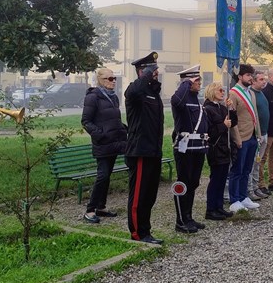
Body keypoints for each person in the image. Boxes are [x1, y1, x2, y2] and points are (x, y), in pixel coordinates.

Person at [124, 52, 164, 245]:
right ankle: (137, 233)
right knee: (139, 195)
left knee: (150, 195)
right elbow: (134, 91)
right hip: (139, 150)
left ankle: (146, 230)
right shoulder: (135, 91)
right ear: (142, 71)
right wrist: (146, 75)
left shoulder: (153, 93)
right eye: (152, 70)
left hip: (153, 151)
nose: (156, 73)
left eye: (155, 70)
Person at [81, 68, 126, 223]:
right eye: (109, 78)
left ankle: (101, 207)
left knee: (107, 177)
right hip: (103, 144)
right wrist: (101, 134)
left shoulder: (113, 98)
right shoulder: (93, 97)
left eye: (114, 78)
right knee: (103, 175)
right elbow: (86, 121)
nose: (113, 81)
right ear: (100, 80)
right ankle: (90, 210)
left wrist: (124, 130)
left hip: (114, 143)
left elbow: (114, 120)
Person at [170, 65, 209, 233]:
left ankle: (188, 216)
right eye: (196, 80)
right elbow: (177, 101)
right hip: (184, 148)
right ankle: (180, 220)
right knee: (184, 182)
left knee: (193, 182)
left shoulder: (195, 99)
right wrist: (186, 83)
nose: (199, 83)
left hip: (198, 147)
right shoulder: (180, 97)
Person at [227, 64, 261, 212]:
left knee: (247, 168)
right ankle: (234, 199)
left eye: (251, 75)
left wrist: (258, 134)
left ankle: (243, 196)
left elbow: (255, 115)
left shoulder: (251, 93)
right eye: (248, 75)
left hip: (252, 135)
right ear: (240, 77)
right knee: (237, 170)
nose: (250, 78)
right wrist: (237, 138)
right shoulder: (233, 94)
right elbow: (232, 118)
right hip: (241, 136)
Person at [203, 82, 235, 221]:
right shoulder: (207, 109)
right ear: (212, 91)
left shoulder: (222, 108)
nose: (223, 92)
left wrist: (231, 109)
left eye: (223, 90)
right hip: (215, 148)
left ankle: (219, 206)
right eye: (220, 90)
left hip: (224, 147)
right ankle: (211, 209)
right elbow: (209, 131)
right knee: (215, 179)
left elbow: (233, 122)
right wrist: (223, 126)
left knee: (222, 178)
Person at [248, 70, 270, 200]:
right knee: (252, 163)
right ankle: (249, 189)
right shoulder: (251, 94)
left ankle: (256, 187)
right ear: (254, 81)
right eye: (261, 79)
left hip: (265, 133)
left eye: (264, 79)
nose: (264, 82)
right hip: (256, 133)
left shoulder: (262, 93)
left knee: (258, 162)